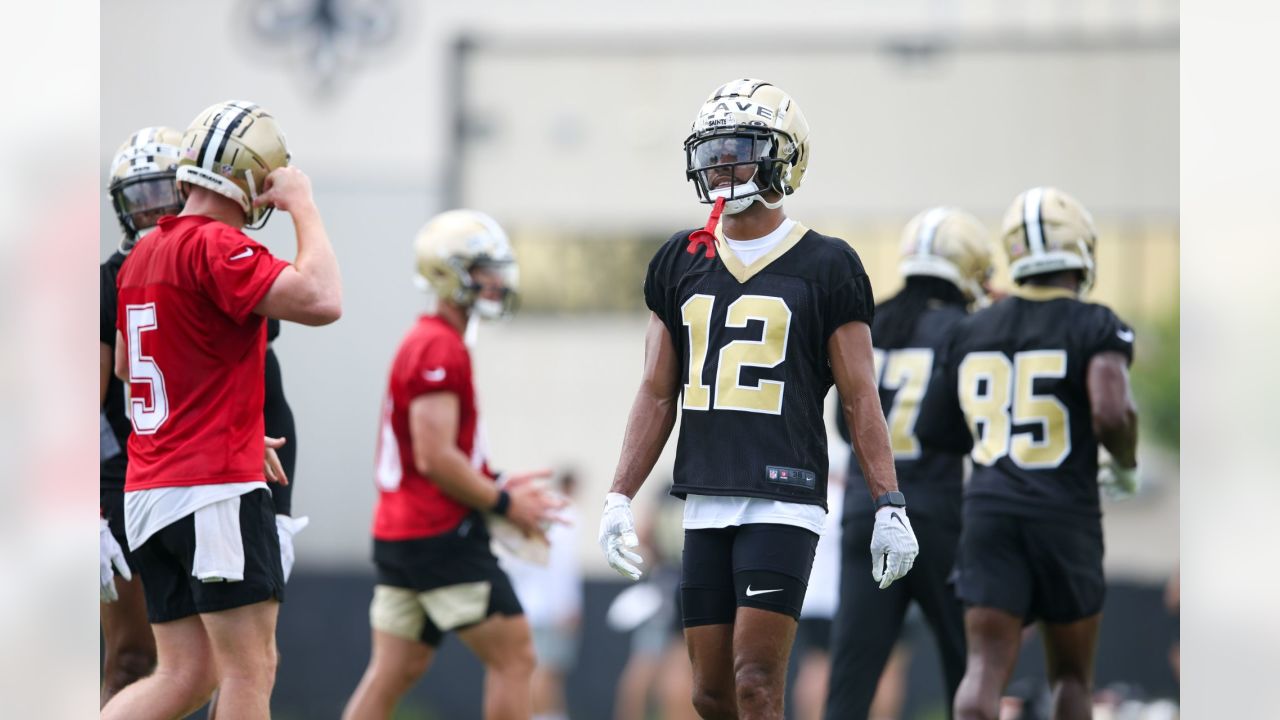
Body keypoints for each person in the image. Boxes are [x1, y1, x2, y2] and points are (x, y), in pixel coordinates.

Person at [598, 78, 920, 720]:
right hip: (705, 494)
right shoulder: (679, 259)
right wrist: (619, 495)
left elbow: (861, 397)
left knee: (754, 680)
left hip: (783, 494)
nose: (721, 162)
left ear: (782, 157)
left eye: (739, 147)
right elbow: (657, 393)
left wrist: (889, 499)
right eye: (712, 149)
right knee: (709, 693)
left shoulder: (827, 264)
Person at [102, 100, 342, 720]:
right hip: (210, 492)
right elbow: (322, 299)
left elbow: (132, 370)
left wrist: (223, 420)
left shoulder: (142, 255)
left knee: (183, 675)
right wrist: (304, 206)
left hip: (148, 492)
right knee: (250, 668)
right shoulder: (215, 245)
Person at [916, 187, 1140, 720]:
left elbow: (936, 430)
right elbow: (1112, 412)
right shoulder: (1094, 323)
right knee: (1070, 677)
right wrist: (1125, 464)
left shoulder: (971, 330)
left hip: (991, 510)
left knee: (984, 670)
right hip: (1065, 513)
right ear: (1080, 251)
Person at [342, 209, 566, 720]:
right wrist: (506, 502)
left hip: (404, 533)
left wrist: (496, 480)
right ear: (451, 273)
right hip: (437, 533)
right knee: (516, 657)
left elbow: (438, 453)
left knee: (394, 670)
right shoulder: (438, 345)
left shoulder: (435, 340)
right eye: (484, 268)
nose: (496, 280)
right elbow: (435, 456)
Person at [824, 207, 997, 720]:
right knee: (967, 669)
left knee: (850, 681)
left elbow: (843, 421)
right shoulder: (966, 329)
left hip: (867, 511)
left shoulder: (872, 319)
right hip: (938, 514)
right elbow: (974, 429)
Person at [100, 126, 185, 705]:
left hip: (204, 476)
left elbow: (263, 387)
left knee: (224, 659)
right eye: (139, 197)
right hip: (125, 479)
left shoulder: (215, 262)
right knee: (134, 657)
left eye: (163, 192)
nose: (152, 210)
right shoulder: (110, 278)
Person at [499, 470, 584, 720]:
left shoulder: (529, 519)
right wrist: (566, 606)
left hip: (526, 607)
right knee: (547, 669)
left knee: (533, 669)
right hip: (549, 610)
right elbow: (561, 567)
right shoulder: (565, 518)